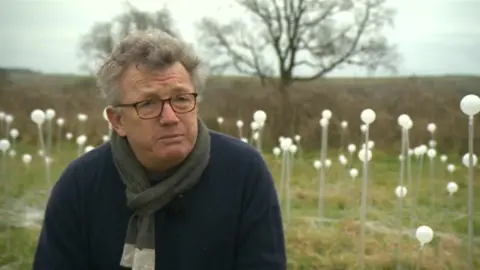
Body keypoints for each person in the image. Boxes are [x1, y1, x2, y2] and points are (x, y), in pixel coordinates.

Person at [32, 29, 286, 270]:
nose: (170, 117)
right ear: (117, 120)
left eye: (181, 99)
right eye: (148, 103)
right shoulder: (81, 184)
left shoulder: (243, 172)